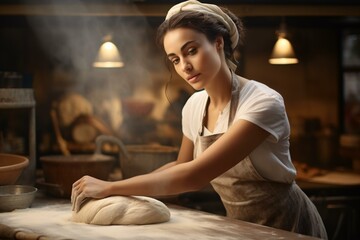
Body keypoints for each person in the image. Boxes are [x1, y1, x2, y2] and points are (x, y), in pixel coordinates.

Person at [71, 1, 327, 238]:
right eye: (175, 59)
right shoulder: (194, 106)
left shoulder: (262, 102)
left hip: (290, 227)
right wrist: (116, 187)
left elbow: (195, 176)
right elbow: (180, 166)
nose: (184, 66)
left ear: (218, 43)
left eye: (191, 51)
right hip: (242, 227)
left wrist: (108, 188)